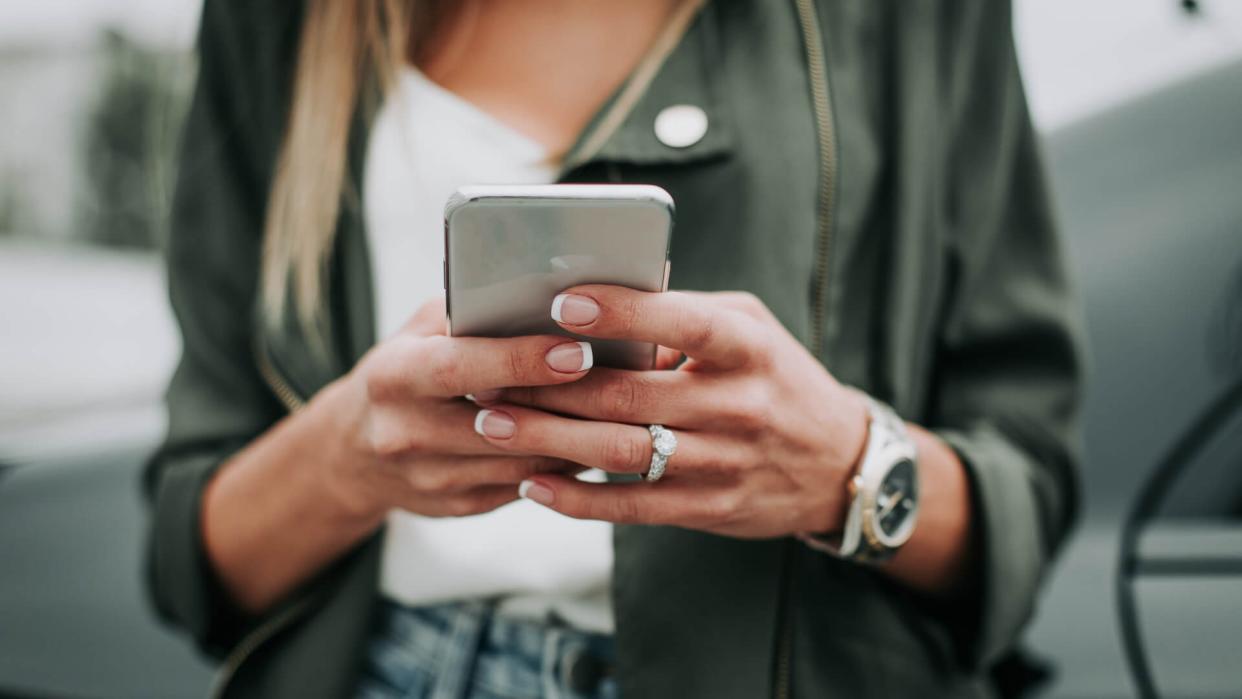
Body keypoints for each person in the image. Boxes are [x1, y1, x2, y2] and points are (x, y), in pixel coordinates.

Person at [144, 1, 1083, 697]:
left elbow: (1023, 514)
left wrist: (846, 463)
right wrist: (348, 455)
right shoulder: (281, 22)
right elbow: (193, 565)